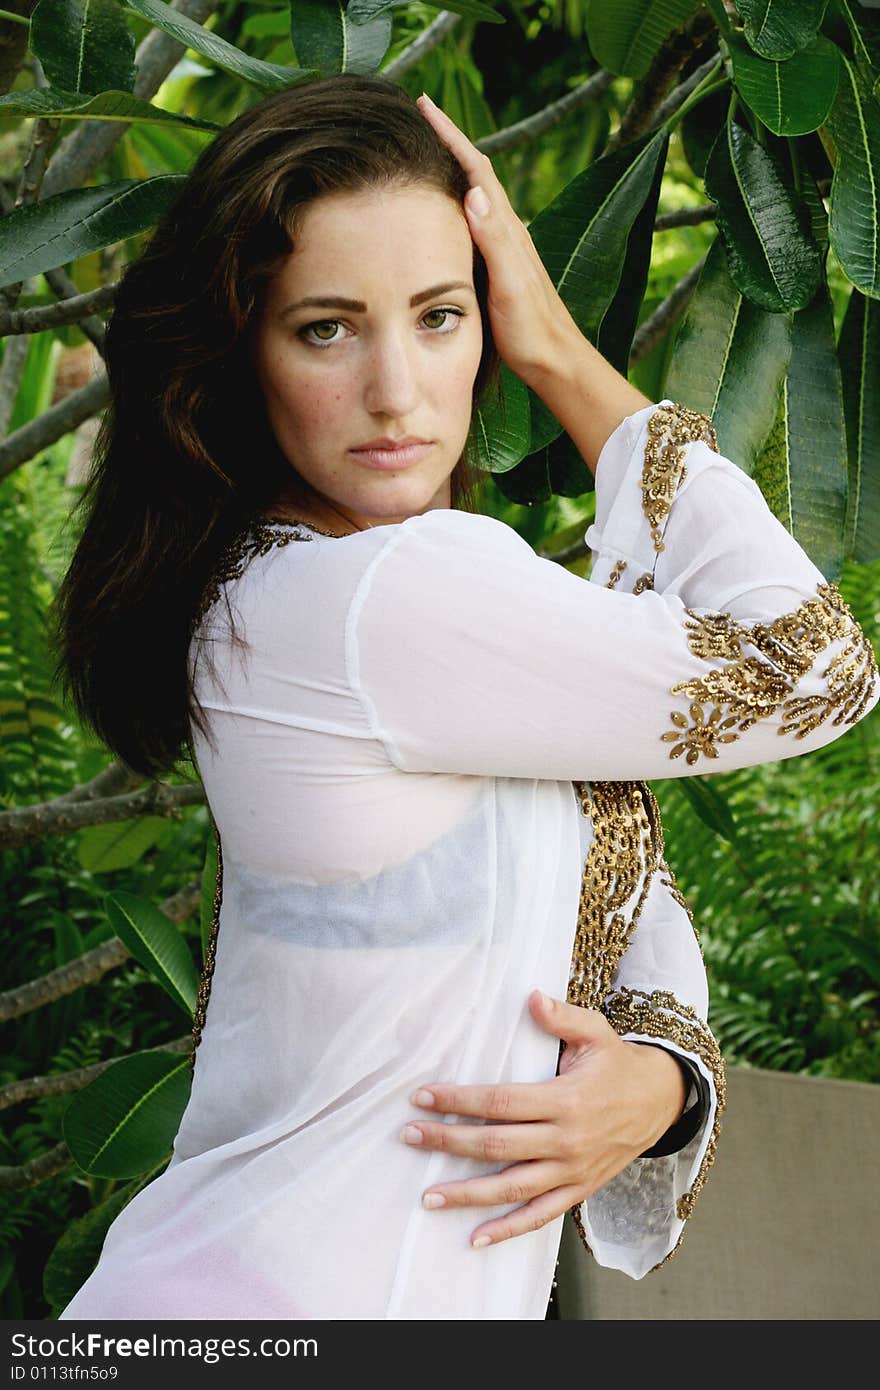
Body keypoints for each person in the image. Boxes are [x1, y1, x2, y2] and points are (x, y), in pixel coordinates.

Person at [51, 73, 878, 1322]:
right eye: (326, 327)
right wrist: (554, 346)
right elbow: (815, 669)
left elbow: (617, 882)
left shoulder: (319, 605)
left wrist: (658, 1077)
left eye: (441, 316)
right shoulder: (370, 604)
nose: (397, 390)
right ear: (238, 349)